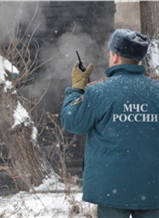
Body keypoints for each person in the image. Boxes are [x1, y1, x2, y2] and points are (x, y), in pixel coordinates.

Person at [60, 29, 159, 218]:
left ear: (115, 57)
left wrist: (77, 89)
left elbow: (72, 121)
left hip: (110, 188)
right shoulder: (157, 91)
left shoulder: (98, 92)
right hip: (153, 186)